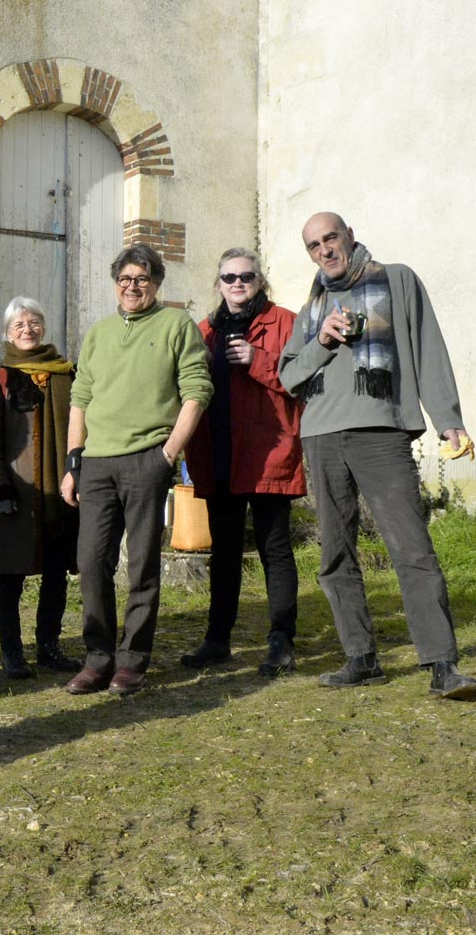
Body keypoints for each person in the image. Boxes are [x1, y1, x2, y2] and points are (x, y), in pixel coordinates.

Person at [278, 212, 476, 700]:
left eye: (330, 238)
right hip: (323, 436)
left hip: (381, 433)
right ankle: (361, 657)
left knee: (411, 548)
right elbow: (288, 377)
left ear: (349, 236)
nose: (324, 250)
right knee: (335, 553)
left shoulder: (396, 280)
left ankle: (442, 664)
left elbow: (429, 347)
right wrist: (322, 341)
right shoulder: (312, 308)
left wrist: (447, 417)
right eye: (313, 245)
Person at [60, 244, 211, 697]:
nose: (132, 287)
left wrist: (167, 454)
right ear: (115, 284)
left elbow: (197, 390)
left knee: (143, 563)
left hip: (147, 459)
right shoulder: (99, 333)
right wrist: (73, 462)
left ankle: (132, 662)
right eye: (124, 280)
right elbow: (79, 399)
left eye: (141, 279)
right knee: (90, 562)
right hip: (97, 463)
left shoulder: (176, 325)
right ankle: (98, 658)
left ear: (156, 284)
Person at [181, 248, 305, 676]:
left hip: (269, 454)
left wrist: (259, 361)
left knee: (275, 549)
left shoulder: (286, 323)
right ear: (218, 284)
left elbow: (306, 381)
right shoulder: (203, 331)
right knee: (225, 551)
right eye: (229, 278)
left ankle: (281, 641)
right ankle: (218, 641)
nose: (237, 284)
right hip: (219, 455)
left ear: (260, 281)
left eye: (246, 277)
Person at [0, 296, 81, 678]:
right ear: (8, 333)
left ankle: (49, 649)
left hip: (59, 487)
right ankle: (13, 655)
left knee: (55, 574)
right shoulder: (0, 378)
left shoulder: (66, 374)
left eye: (34, 322)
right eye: (19, 325)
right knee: (11, 577)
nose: (28, 330)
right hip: (17, 492)